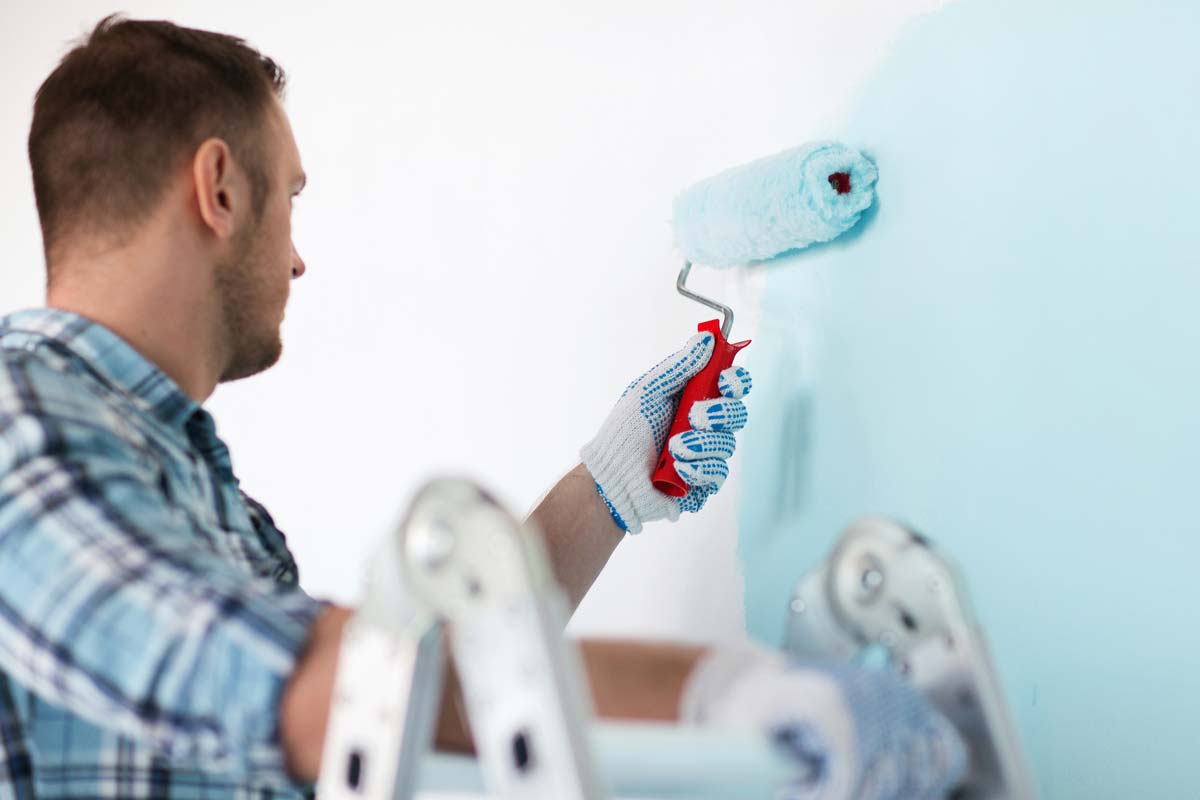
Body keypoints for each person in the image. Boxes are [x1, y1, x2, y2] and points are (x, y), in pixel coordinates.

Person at [0, 15, 965, 799]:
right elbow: (341, 694)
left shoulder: (186, 487)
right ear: (217, 189)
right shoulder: (15, 424)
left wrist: (611, 483)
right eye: (290, 199)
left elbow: (409, 698)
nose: (297, 258)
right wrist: (732, 694)